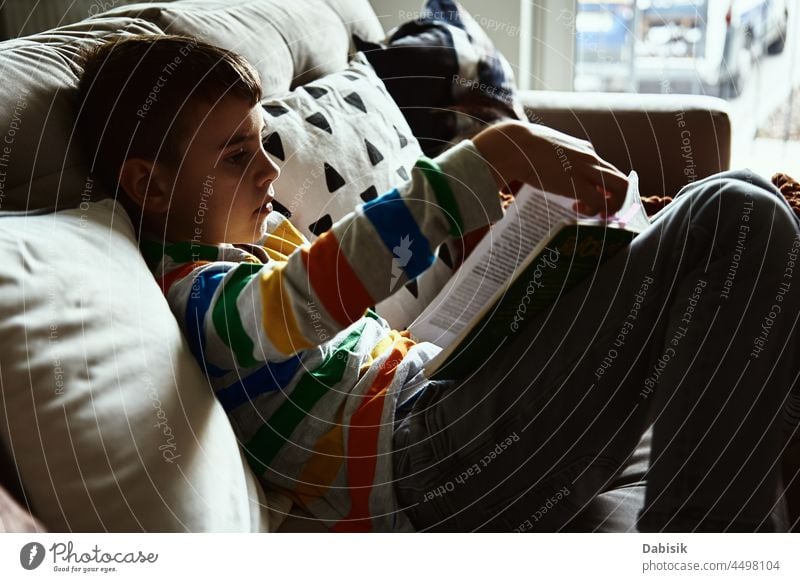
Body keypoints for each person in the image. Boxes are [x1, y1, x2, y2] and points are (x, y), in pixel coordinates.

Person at [74, 34, 800, 532]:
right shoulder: (196, 298)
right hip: (431, 466)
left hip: (442, 411)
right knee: (737, 212)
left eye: (266, 139)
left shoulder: (249, 251)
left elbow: (379, 340)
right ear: (153, 186)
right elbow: (300, 301)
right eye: (237, 155)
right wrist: (476, 165)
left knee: (738, 246)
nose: (268, 167)